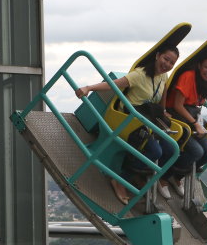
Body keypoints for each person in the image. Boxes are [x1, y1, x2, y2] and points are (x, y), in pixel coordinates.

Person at [75, 45, 180, 204]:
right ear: (158, 55)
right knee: (155, 151)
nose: (167, 64)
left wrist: (163, 112)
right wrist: (89, 87)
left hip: (147, 120)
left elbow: (162, 94)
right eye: (166, 59)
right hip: (131, 120)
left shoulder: (162, 77)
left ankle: (138, 175)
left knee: (171, 149)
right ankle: (120, 180)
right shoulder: (139, 75)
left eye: (171, 63)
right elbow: (114, 84)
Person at [164, 53, 207, 196]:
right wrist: (195, 124)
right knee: (196, 151)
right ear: (199, 66)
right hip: (175, 117)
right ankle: (164, 177)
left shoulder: (205, 84)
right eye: (206, 67)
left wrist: (199, 124)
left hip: (189, 119)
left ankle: (176, 176)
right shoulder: (188, 76)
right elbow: (177, 105)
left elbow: (196, 107)